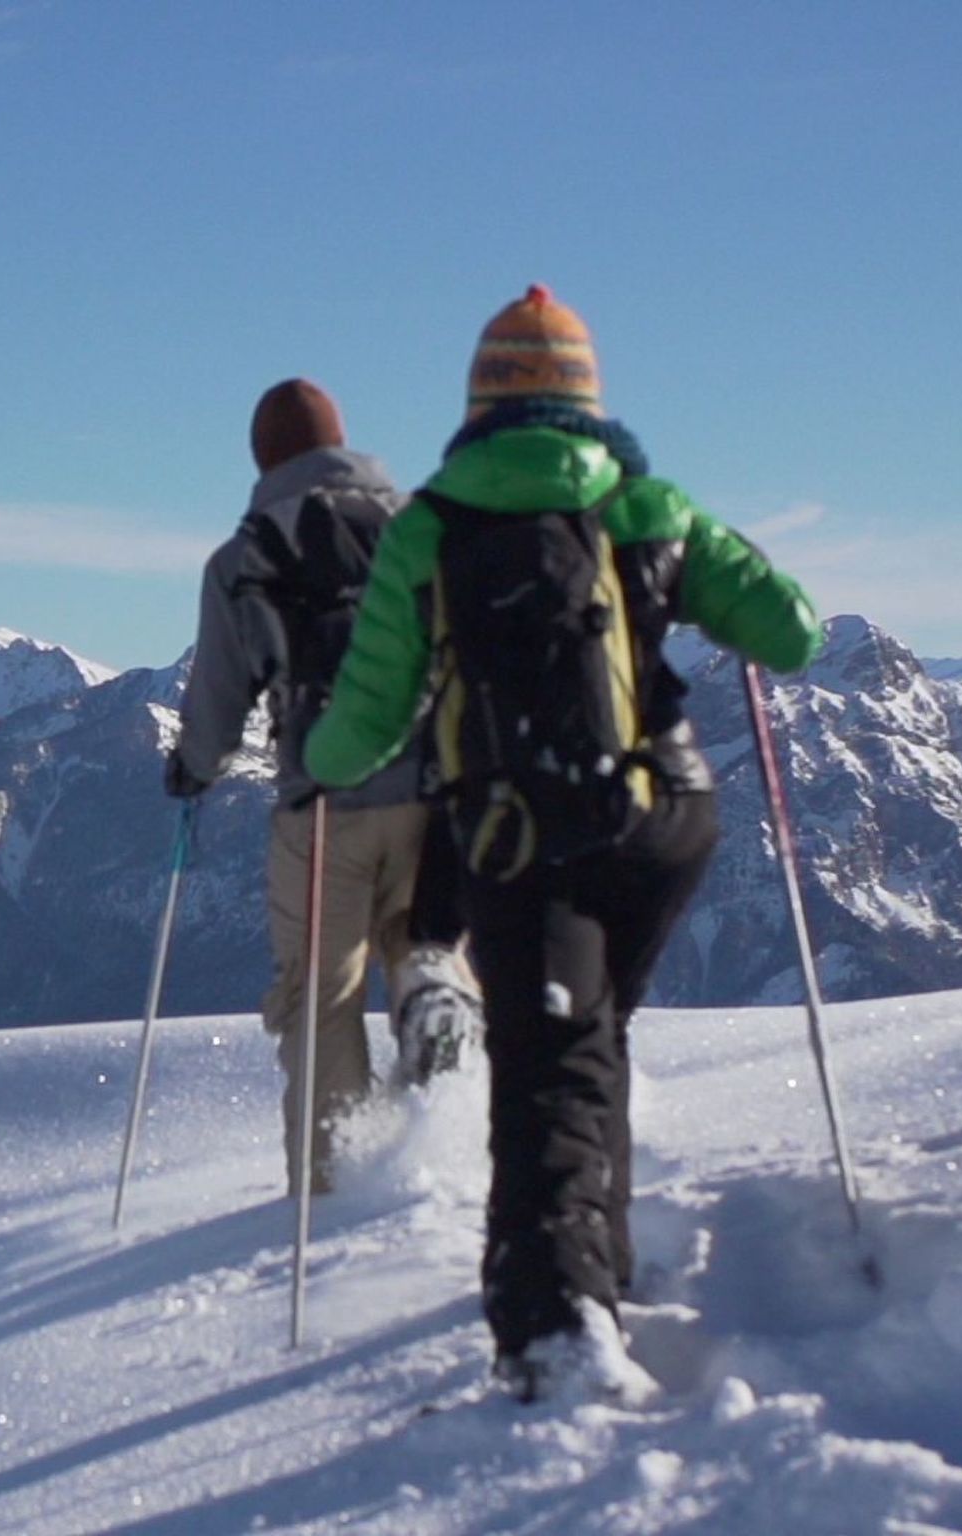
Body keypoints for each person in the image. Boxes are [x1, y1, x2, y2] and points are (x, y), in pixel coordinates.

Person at [303, 286, 824, 1402]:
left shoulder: (430, 527)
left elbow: (363, 729)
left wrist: (316, 762)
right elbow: (791, 634)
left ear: (480, 402)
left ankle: (554, 1335)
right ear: (585, 400)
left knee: (549, 1069)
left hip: (515, 835)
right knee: (590, 1040)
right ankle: (601, 1267)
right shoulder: (648, 505)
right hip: (662, 821)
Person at [166, 378, 478, 1199]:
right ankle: (445, 1150)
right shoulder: (421, 528)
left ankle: (338, 1186)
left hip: (324, 804)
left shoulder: (243, 559)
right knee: (427, 952)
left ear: (262, 459)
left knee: (319, 998)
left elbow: (217, 704)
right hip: (435, 798)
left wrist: (193, 769)